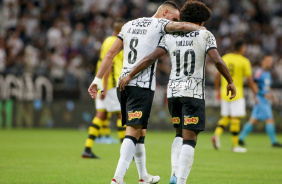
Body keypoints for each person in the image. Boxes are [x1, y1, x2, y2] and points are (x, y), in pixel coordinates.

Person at [88, 1, 206, 183]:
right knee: (133, 131)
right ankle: (117, 178)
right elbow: (182, 26)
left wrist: (97, 79)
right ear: (165, 12)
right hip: (141, 86)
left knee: (140, 131)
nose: (175, 21)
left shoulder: (129, 24)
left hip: (123, 84)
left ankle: (143, 176)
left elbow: (110, 53)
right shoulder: (160, 24)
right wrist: (201, 30)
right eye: (173, 17)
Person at [118, 1, 236, 183]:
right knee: (190, 138)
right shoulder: (205, 35)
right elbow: (218, 61)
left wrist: (130, 74)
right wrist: (230, 81)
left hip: (173, 93)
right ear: (202, 21)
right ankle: (180, 180)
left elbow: (150, 58)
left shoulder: (169, 36)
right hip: (193, 92)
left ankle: (174, 173)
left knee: (179, 134)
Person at [82, 19, 126, 159]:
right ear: (120, 31)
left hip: (102, 82)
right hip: (111, 84)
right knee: (120, 115)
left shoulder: (106, 40)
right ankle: (125, 151)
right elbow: (110, 63)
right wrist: (105, 87)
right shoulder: (115, 41)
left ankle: (87, 148)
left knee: (101, 115)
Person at [211, 40, 257, 153]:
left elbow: (217, 75)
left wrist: (217, 90)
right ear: (241, 48)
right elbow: (250, 80)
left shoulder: (226, 57)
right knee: (235, 119)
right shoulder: (244, 61)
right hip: (237, 93)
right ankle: (235, 145)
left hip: (224, 92)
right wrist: (255, 93)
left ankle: (216, 135)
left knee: (226, 117)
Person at [239, 54, 282, 147]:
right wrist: (257, 96)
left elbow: (267, 87)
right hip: (261, 99)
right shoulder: (259, 72)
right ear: (262, 61)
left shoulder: (268, 73)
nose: (269, 63)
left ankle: (240, 138)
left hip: (264, 100)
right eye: (267, 61)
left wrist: (273, 98)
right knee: (270, 119)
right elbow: (254, 85)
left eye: (270, 61)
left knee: (253, 120)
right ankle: (274, 142)